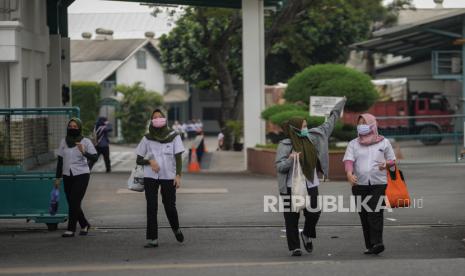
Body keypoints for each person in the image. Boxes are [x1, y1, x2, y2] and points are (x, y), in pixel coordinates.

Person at [275, 98, 346, 256]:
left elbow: (329, 124)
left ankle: (306, 234)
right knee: (291, 218)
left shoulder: (313, 138)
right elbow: (279, 167)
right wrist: (291, 159)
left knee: (314, 212)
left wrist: (339, 106)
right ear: (295, 128)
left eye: (306, 125)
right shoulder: (285, 145)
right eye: (304, 126)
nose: (307, 128)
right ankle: (295, 247)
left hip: (310, 184)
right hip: (290, 187)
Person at [343, 113, 396, 255]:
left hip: (379, 183)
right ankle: (370, 245)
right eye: (359, 123)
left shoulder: (384, 142)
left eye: (364, 123)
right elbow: (349, 161)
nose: (361, 126)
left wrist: (386, 164)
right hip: (359, 184)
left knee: (375, 212)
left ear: (372, 124)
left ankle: (378, 242)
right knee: (364, 214)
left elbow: (392, 160)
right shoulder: (353, 143)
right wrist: (349, 174)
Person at [135, 109, 185, 248]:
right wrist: (149, 162)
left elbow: (178, 157)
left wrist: (178, 175)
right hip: (150, 176)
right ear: (152, 121)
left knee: (169, 206)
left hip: (168, 176)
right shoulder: (146, 138)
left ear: (164, 119)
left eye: (160, 117)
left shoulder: (174, 136)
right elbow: (139, 159)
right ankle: (152, 238)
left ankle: (176, 228)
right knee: (151, 206)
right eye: (154, 118)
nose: (157, 119)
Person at [54, 118, 98, 238]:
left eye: (75, 126)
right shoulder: (64, 141)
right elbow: (60, 161)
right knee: (73, 202)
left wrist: (83, 152)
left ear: (79, 127)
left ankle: (71, 229)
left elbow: (95, 158)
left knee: (74, 201)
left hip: (82, 174)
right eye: (70, 126)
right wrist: (57, 178)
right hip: (67, 175)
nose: (72, 128)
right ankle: (84, 224)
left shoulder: (86, 141)